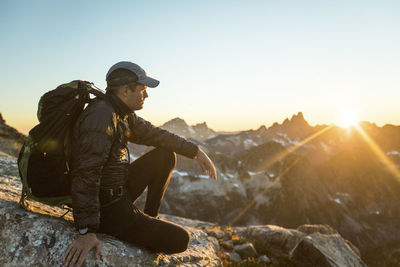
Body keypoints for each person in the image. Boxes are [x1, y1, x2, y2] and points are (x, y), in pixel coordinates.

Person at [63, 61, 217, 267]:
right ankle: (136, 225)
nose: (146, 95)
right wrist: (87, 231)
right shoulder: (101, 116)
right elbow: (85, 174)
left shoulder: (120, 113)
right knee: (180, 240)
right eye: (143, 90)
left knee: (165, 156)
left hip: (116, 189)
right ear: (126, 91)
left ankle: (149, 218)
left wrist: (194, 151)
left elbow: (156, 135)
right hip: (107, 209)